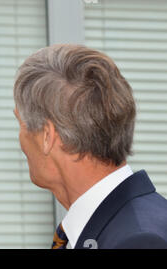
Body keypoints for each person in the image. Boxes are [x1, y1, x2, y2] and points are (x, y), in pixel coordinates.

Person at [13, 44, 167, 249]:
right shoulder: (124, 225)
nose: (20, 139)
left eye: (21, 124)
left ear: (47, 136)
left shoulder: (138, 240)